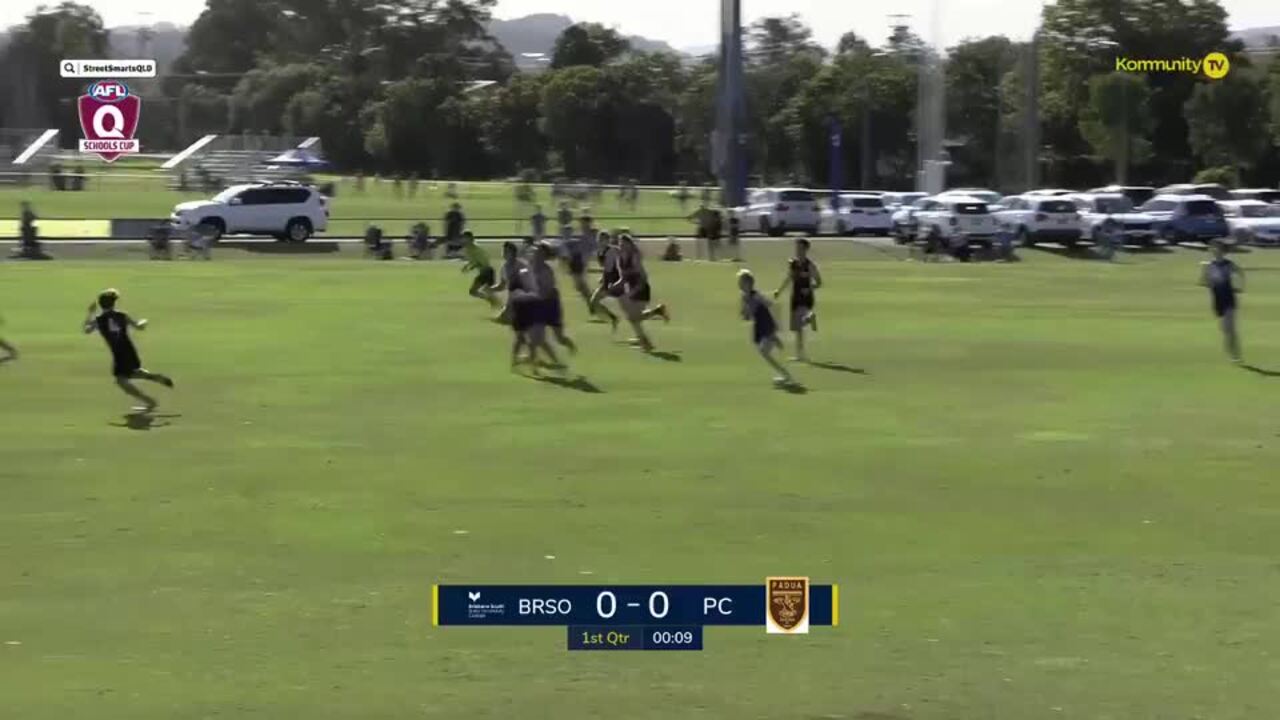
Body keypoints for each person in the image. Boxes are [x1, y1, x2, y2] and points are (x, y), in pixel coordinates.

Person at [82, 289, 174, 411]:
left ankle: (150, 402)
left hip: (118, 353)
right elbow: (139, 326)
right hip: (129, 350)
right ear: (113, 303)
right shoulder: (122, 315)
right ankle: (154, 377)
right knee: (132, 373)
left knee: (121, 381)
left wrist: (90, 313)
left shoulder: (99, 320)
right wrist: (144, 321)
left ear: (100, 305)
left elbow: (87, 330)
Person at [612, 234, 670, 351]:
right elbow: (623, 277)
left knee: (634, 318)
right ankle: (656, 314)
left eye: (624, 243)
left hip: (641, 287)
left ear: (630, 244)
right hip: (631, 287)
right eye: (620, 243)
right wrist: (617, 285)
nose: (621, 245)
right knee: (634, 318)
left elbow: (642, 275)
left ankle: (645, 342)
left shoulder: (635, 255)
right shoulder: (620, 258)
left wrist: (635, 289)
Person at [738, 270, 797, 387]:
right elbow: (746, 315)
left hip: (766, 324)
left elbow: (770, 305)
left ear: (748, 283)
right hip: (760, 325)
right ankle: (784, 374)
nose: (738, 284)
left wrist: (776, 327)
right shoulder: (744, 297)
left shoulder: (756, 296)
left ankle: (786, 376)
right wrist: (745, 313)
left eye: (741, 281)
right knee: (764, 351)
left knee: (764, 352)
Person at [525, 242, 575, 369]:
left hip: (550, 305)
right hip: (538, 304)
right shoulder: (530, 266)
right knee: (535, 337)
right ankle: (534, 364)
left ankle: (568, 344)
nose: (534, 252)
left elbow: (546, 292)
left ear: (543, 255)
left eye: (538, 251)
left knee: (559, 338)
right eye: (534, 250)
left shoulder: (546, 271)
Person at [773, 238, 822, 362]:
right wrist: (779, 290)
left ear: (806, 249)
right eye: (796, 248)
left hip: (806, 297)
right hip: (794, 297)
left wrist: (810, 289)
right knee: (797, 328)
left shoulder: (810, 265)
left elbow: (819, 282)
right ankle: (800, 355)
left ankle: (809, 317)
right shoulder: (793, 264)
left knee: (800, 322)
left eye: (800, 248)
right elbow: (788, 278)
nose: (797, 250)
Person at [1200, 241, 1245, 363]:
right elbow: (1204, 283)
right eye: (1213, 249)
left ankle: (1236, 355)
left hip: (1229, 298)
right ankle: (1233, 353)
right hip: (1217, 300)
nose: (1215, 250)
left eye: (1217, 249)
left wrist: (1240, 287)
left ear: (1222, 251)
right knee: (1225, 330)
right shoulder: (1208, 265)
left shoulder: (1229, 264)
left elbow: (1241, 273)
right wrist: (1207, 275)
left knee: (1230, 328)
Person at [492, 241, 532, 366]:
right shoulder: (504, 267)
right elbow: (502, 285)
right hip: (513, 302)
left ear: (512, 253)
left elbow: (529, 284)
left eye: (506, 251)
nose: (503, 253)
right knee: (518, 330)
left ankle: (524, 356)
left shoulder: (522, 266)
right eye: (503, 251)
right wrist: (491, 288)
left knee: (518, 329)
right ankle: (532, 352)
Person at [460, 232, 499, 308]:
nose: (463, 240)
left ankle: (494, 301)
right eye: (463, 238)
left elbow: (483, 262)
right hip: (485, 271)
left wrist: (471, 267)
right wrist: (467, 266)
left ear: (471, 239)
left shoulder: (477, 248)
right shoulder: (468, 249)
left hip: (487, 271)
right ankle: (496, 303)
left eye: (465, 238)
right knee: (485, 291)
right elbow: (473, 261)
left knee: (474, 291)